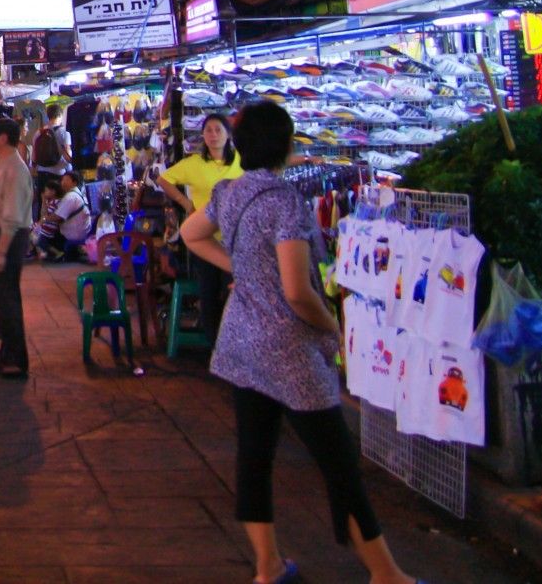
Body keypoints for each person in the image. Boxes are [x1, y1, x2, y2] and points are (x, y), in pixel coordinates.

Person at [180, 101, 417, 584]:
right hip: (289, 352)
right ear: (285, 145)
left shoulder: (228, 192)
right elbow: (296, 290)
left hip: (243, 348)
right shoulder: (284, 202)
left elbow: (191, 234)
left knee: (254, 454)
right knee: (338, 465)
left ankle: (267, 566)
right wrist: (333, 326)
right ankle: (386, 574)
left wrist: (241, 270)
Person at [161, 112, 244, 337]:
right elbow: (164, 179)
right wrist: (186, 204)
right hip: (203, 241)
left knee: (234, 293)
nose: (213, 135)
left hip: (234, 239)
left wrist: (307, 160)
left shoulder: (241, 160)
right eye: (208, 130)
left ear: (228, 134)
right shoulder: (194, 164)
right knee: (208, 292)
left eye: (218, 130)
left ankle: (232, 342)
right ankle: (212, 346)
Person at [0, 118, 34, 378]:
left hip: (8, 238)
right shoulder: (3, 164)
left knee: (7, 299)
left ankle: (15, 358)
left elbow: (12, 216)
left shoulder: (15, 169)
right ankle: (6, 353)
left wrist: (0, 250)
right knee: (1, 299)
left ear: (3, 138)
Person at [36, 172, 94, 262]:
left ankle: (57, 254)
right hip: (81, 232)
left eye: (66, 180)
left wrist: (43, 219)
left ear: (74, 182)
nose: (63, 182)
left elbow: (57, 217)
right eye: (62, 179)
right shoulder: (76, 193)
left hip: (74, 235)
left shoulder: (70, 197)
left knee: (40, 237)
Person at [30, 103, 70, 221]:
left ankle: (40, 229)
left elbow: (34, 156)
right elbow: (68, 157)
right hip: (58, 174)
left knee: (43, 204)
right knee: (58, 206)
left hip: (42, 174)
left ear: (48, 115)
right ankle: (55, 231)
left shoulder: (39, 132)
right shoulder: (64, 133)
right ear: (60, 115)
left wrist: (34, 170)